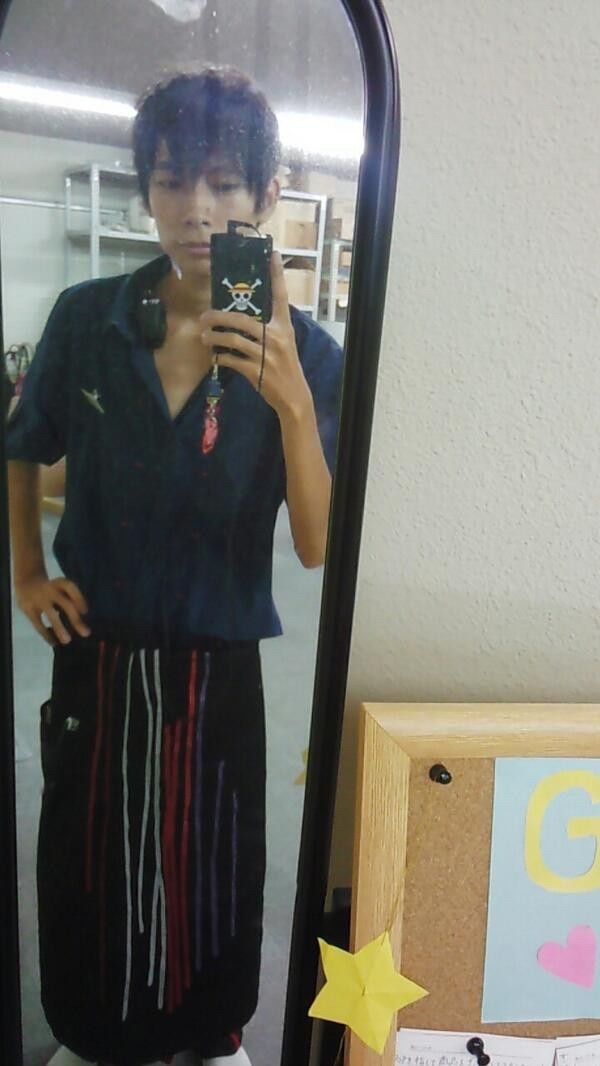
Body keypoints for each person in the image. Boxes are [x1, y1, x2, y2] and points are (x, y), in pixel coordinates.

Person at [6, 67, 343, 1066]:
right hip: (96, 659)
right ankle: (90, 1032)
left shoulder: (308, 352)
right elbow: (23, 444)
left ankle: (208, 1035)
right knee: (85, 859)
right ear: (145, 189)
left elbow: (318, 544)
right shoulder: (87, 319)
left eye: (224, 183)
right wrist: (26, 572)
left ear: (267, 195)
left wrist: (291, 404)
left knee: (215, 868)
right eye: (170, 181)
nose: (196, 210)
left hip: (217, 672)